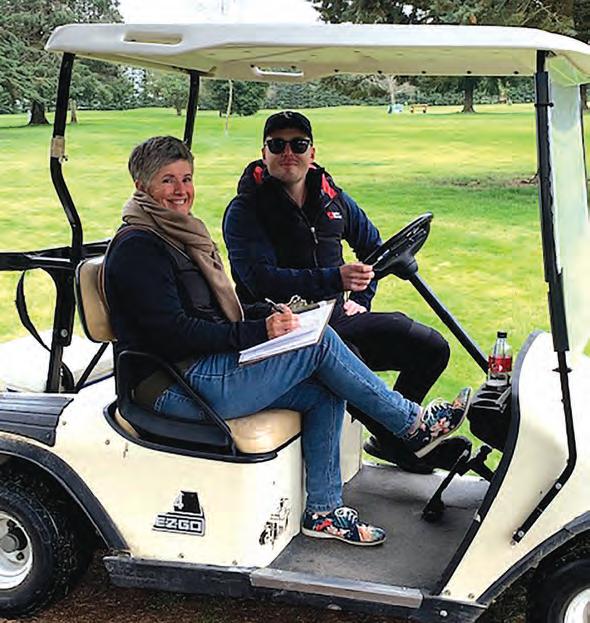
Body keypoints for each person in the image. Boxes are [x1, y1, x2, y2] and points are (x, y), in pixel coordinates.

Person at [104, 135, 470, 548]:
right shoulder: (140, 247)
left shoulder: (177, 235)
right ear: (141, 186)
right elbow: (175, 334)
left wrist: (267, 315)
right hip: (172, 385)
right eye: (167, 180)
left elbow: (209, 313)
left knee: (323, 389)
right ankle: (413, 426)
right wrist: (260, 332)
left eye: (186, 178)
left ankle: (324, 511)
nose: (181, 190)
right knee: (319, 343)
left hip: (199, 369)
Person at [223, 111, 452, 473]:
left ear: (312, 152)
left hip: (336, 316)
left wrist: (361, 298)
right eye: (277, 145)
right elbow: (260, 280)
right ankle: (408, 441)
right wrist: (335, 280)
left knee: (430, 346)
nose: (288, 153)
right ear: (264, 153)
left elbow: (374, 251)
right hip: (282, 328)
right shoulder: (246, 209)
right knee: (349, 358)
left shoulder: (332, 198)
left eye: (298, 144)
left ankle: (392, 441)